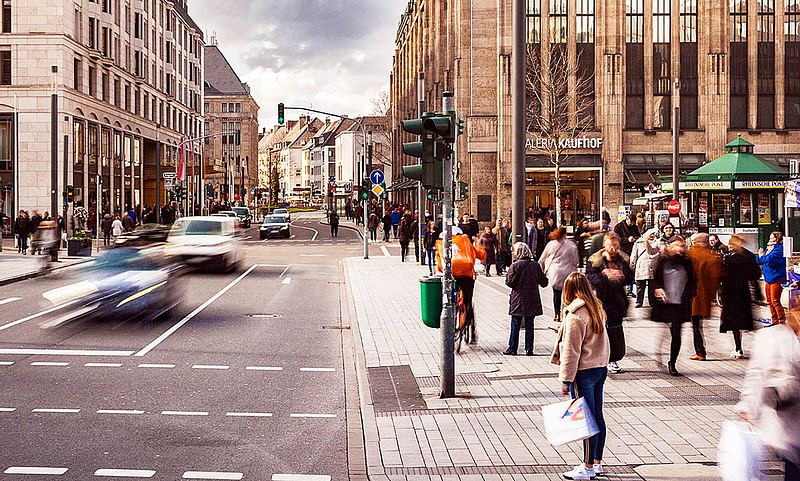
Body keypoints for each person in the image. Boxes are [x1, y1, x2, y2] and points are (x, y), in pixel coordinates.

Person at [551, 272, 611, 481]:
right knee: (597, 415)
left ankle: (586, 467)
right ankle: (597, 462)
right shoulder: (596, 308)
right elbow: (605, 342)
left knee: (586, 419)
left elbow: (571, 351)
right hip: (599, 369)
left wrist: (566, 379)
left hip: (583, 371)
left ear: (568, 290)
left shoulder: (575, 315)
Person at [736, 307, 800, 481]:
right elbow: (757, 373)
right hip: (786, 418)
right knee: (792, 468)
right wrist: (748, 404)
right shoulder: (772, 338)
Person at [586, 233, 633, 374]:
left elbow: (630, 277)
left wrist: (622, 276)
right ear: (604, 245)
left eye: (616, 246)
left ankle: (613, 359)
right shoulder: (595, 260)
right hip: (600, 300)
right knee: (600, 330)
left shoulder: (623, 259)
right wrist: (605, 275)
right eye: (610, 245)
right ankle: (600, 358)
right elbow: (590, 277)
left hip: (617, 301)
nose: (613, 249)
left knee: (615, 330)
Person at [651, 236, 696, 376]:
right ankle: (661, 351)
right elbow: (653, 279)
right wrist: (657, 288)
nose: (680, 249)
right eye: (676, 246)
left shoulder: (687, 263)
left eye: (682, 246)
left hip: (679, 304)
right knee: (667, 331)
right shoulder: (662, 261)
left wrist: (688, 296)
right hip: (665, 304)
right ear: (670, 247)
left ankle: (672, 362)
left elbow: (693, 283)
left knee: (676, 334)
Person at [436, 227, 486, 344]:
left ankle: (451, 314)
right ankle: (471, 330)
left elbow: (439, 264)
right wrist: (479, 245)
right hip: (466, 276)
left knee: (449, 301)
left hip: (451, 276)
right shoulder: (465, 241)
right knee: (468, 302)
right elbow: (481, 255)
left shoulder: (442, 243)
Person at [720, 234, 762, 359]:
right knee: (743, 320)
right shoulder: (748, 256)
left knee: (734, 323)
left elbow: (723, 276)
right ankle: (742, 347)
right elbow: (755, 274)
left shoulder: (729, 259)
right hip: (744, 291)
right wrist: (757, 293)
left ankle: (738, 348)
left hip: (731, 292)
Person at [504, 242, 548, 356]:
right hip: (532, 298)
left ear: (518, 252)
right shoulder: (535, 265)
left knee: (515, 324)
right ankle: (529, 349)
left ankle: (512, 348)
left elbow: (509, 282)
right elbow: (544, 283)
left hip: (518, 298)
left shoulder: (515, 265)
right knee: (530, 324)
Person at [686, 233, 722, 362]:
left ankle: (700, 351)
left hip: (691, 296)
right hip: (704, 296)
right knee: (697, 323)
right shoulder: (712, 256)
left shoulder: (691, 254)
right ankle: (700, 350)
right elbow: (715, 278)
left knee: (695, 324)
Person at [539, 227, 579, 322]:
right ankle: (564, 313)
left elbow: (542, 259)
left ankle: (556, 314)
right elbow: (575, 261)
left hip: (555, 272)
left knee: (556, 294)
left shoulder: (551, 244)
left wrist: (542, 271)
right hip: (568, 272)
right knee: (567, 293)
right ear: (565, 234)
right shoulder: (571, 246)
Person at [758, 231, 787, 325]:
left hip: (777, 278)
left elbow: (768, 260)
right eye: (770, 238)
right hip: (769, 278)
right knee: (769, 301)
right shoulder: (769, 249)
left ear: (777, 239)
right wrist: (761, 257)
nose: (769, 240)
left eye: (772, 238)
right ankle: (774, 320)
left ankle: (781, 320)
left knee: (775, 301)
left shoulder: (779, 249)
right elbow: (760, 261)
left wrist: (762, 256)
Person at [630, 229, 658, 308]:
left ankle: (652, 301)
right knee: (640, 285)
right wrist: (632, 263)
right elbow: (634, 254)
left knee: (652, 286)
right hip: (641, 265)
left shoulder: (657, 242)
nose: (652, 235)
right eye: (651, 234)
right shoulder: (639, 242)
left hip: (653, 265)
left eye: (653, 234)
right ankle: (639, 301)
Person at [613, 214, 640, 297]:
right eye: (630, 222)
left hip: (632, 250)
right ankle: (619, 289)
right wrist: (627, 239)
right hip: (622, 251)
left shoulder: (634, 227)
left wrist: (635, 238)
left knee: (630, 269)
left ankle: (629, 290)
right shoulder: (618, 227)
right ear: (627, 219)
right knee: (621, 270)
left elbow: (638, 235)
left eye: (632, 222)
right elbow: (616, 239)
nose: (631, 224)